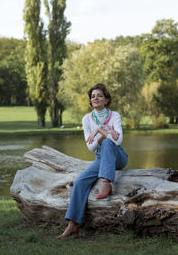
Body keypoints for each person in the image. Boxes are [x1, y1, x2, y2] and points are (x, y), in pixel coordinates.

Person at [58, 83, 128, 238]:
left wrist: (98, 131)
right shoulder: (87, 119)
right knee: (80, 182)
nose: (95, 98)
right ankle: (73, 224)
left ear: (106, 99)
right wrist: (105, 133)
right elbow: (90, 148)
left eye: (99, 96)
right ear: (90, 101)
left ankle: (106, 183)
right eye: (93, 96)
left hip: (118, 156)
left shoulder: (115, 115)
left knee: (109, 142)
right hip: (100, 158)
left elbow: (118, 141)